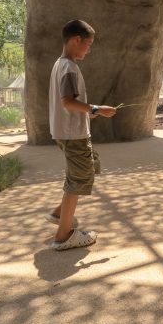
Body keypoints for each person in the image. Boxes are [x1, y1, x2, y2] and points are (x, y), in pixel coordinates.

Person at [46, 19, 116, 251]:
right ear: (76, 40)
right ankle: (64, 235)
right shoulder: (69, 67)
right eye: (88, 43)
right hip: (72, 133)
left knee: (82, 172)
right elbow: (67, 101)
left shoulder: (61, 64)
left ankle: (60, 215)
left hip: (66, 131)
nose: (89, 48)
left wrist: (88, 113)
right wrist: (95, 109)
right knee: (78, 180)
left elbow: (68, 103)